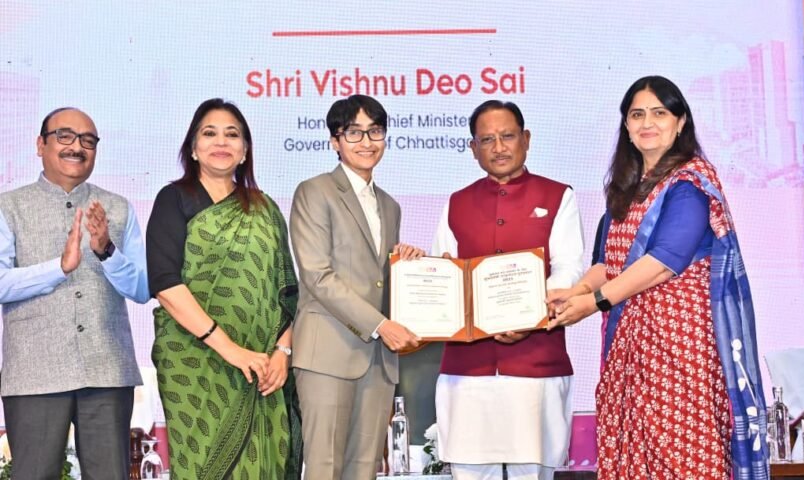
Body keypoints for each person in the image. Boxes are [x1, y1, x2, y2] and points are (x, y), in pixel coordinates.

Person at [547, 76, 768, 480]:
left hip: (679, 350)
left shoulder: (690, 182)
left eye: (659, 113)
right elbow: (608, 263)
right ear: (626, 126)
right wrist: (573, 293)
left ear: (680, 122)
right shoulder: (626, 188)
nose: (647, 123)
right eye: (637, 115)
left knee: (682, 456)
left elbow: (664, 260)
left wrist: (594, 302)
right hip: (631, 350)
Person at [146, 98, 301, 479]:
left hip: (263, 367)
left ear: (245, 150)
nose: (221, 142)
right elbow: (165, 284)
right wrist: (231, 350)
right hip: (195, 362)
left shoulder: (265, 210)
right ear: (193, 148)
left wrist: (282, 353)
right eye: (209, 133)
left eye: (232, 134)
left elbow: (287, 291)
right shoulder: (174, 199)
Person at [431, 100, 585, 480]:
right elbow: (444, 274)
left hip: (535, 364)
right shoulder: (457, 202)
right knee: (468, 469)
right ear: (473, 149)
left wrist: (528, 316)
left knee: (532, 471)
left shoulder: (557, 196)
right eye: (487, 140)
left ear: (526, 139)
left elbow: (568, 267)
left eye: (507, 136)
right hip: (467, 370)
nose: (498, 147)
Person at [0, 107, 149, 479]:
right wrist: (59, 268)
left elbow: (143, 288)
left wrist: (107, 251)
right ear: (41, 145)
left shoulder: (117, 208)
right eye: (64, 136)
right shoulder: (8, 206)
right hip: (35, 372)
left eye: (88, 140)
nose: (77, 147)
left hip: (107, 370)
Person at [289, 94, 424, 480]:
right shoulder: (314, 191)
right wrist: (381, 325)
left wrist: (407, 263)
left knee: (364, 469)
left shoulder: (390, 206)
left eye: (375, 131)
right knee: (324, 468)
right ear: (335, 140)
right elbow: (317, 275)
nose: (367, 141)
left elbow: (377, 276)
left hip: (379, 361)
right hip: (328, 353)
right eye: (354, 132)